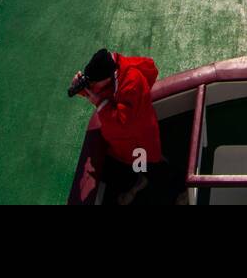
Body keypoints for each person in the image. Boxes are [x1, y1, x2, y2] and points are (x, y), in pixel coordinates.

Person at [70, 48, 171, 205]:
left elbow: (122, 123)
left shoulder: (132, 85)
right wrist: (85, 90)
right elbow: (106, 91)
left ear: (109, 76)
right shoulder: (114, 70)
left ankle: (177, 187)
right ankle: (143, 176)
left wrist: (99, 103)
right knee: (143, 164)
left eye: (94, 82)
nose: (92, 84)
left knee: (148, 167)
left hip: (138, 142)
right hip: (129, 141)